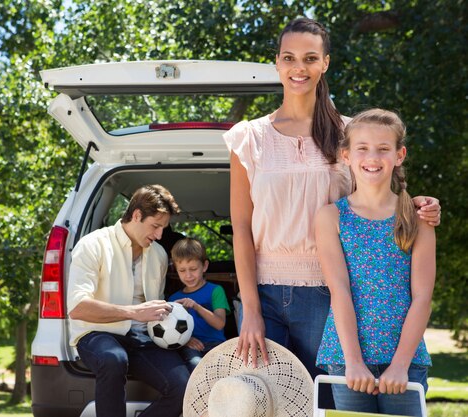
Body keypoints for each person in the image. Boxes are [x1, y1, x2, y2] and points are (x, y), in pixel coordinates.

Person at [223, 16, 441, 399]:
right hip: (264, 295)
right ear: (277, 62)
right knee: (264, 402)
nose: (299, 68)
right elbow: (241, 227)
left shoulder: (348, 133)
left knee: (320, 404)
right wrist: (252, 310)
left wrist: (419, 204)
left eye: (310, 58)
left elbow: (377, 192)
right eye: (289, 58)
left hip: (331, 294)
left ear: (324, 63)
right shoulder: (249, 137)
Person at [315, 109, 434, 417]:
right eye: (363, 148)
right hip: (346, 359)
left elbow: (422, 298)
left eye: (384, 148)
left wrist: (400, 365)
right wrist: (353, 361)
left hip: (406, 360)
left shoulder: (417, 217)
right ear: (346, 155)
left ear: (399, 155)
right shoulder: (331, 216)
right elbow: (339, 290)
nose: (373, 156)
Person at [66, 184, 190, 417]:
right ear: (136, 215)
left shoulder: (159, 255)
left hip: (143, 337)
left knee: (184, 386)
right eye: (155, 226)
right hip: (96, 333)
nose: (160, 235)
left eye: (164, 227)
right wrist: (134, 312)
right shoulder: (93, 245)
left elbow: (155, 304)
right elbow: (78, 308)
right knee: (113, 358)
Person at [168, 238, 231, 371]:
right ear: (176, 269)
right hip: (190, 346)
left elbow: (219, 323)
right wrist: (187, 340)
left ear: (205, 266)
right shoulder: (174, 299)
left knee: (222, 369)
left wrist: (196, 306)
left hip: (216, 344)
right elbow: (171, 332)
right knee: (197, 366)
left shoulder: (216, 291)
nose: (188, 275)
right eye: (182, 270)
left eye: (193, 269)